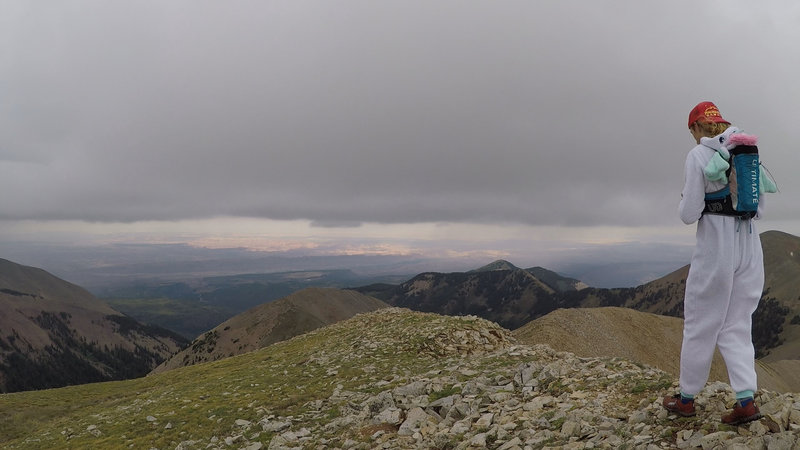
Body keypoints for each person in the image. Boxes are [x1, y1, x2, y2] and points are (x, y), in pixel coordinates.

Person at [662, 101, 764, 425]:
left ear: (696, 127)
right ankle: (746, 401)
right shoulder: (744, 149)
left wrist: (687, 200)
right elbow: (759, 205)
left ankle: (687, 399)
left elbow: (689, 213)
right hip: (749, 243)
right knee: (737, 323)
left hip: (716, 249)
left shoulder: (698, 156)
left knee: (700, 322)